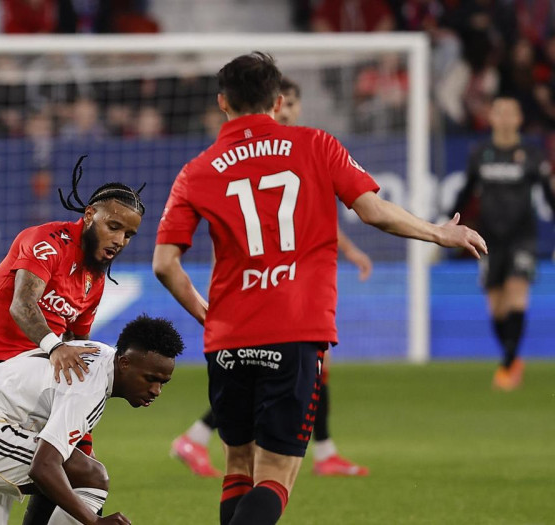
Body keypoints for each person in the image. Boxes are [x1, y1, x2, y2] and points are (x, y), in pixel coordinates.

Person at [152, 52, 486, 525]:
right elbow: (373, 211)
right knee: (275, 474)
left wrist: (208, 314)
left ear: (222, 102)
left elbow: (165, 265)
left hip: (228, 335)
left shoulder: (197, 170)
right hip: (294, 328)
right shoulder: (316, 145)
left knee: (237, 467)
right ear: (278, 100)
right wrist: (439, 231)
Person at [169, 77, 373, 479]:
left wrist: (348, 250)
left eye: (296, 103)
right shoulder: (289, 148)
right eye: (288, 102)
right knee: (282, 378)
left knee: (270, 379)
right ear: (273, 104)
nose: (291, 110)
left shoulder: (275, 151)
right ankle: (199, 437)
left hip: (275, 287)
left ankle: (321, 450)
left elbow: (301, 218)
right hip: (272, 289)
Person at [0, 156, 145, 524]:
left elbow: (83, 349)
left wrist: (82, 419)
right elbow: (22, 306)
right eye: (114, 226)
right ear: (89, 215)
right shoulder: (46, 242)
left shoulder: (95, 280)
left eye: (129, 234)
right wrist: (55, 347)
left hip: (36, 381)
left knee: (74, 467)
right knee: (60, 471)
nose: (120, 240)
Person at [0, 314, 184, 525]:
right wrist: (94, 521)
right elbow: (43, 467)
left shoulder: (100, 355)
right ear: (125, 363)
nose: (156, 390)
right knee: (91, 476)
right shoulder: (89, 387)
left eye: (163, 382)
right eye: (150, 378)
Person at [449, 95, 555, 391]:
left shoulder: (532, 155)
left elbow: (549, 198)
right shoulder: (481, 153)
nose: (506, 118)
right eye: (500, 112)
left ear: (519, 119)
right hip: (489, 238)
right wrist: (444, 226)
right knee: (496, 307)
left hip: (523, 237)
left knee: (516, 292)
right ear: (492, 118)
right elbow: (466, 193)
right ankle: (512, 357)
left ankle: (507, 366)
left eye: (511, 112)